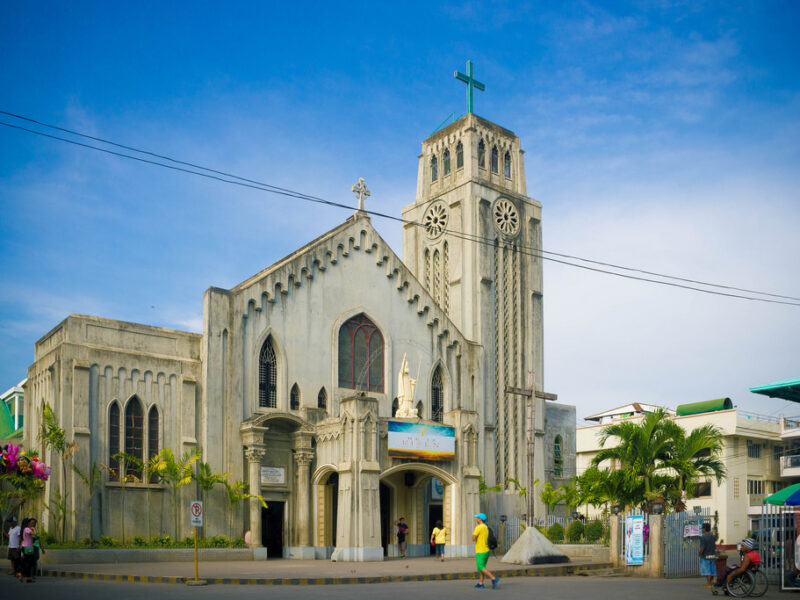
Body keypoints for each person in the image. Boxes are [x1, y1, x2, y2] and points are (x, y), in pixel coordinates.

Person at [472, 513, 499, 589]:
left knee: (480, 567)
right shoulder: (486, 527)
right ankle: (481, 583)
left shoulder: (479, 527)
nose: (476, 519)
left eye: (477, 518)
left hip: (481, 550)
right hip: (486, 550)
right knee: (482, 568)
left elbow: (473, 538)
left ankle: (493, 578)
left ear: (480, 519)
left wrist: (475, 537)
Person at [19, 517, 39, 583]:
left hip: (27, 547)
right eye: (30, 523)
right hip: (28, 548)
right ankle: (20, 574)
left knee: (27, 562)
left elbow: (34, 538)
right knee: (29, 563)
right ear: (27, 523)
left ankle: (27, 577)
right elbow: (35, 534)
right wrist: (34, 529)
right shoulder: (27, 529)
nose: (31, 524)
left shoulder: (25, 529)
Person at [698, 522, 716, 588]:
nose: (702, 529)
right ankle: (711, 582)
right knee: (712, 570)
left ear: (704, 529)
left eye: (702, 528)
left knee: (707, 570)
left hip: (705, 556)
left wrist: (699, 554)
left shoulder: (703, 537)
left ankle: (708, 584)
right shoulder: (712, 536)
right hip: (712, 555)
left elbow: (702, 548)